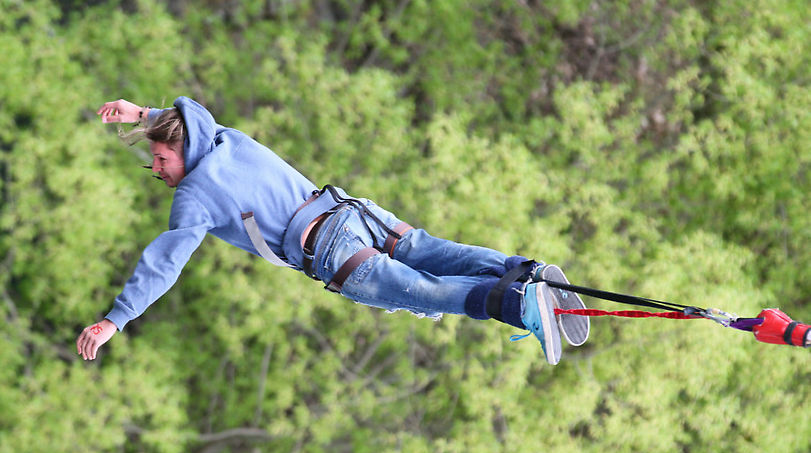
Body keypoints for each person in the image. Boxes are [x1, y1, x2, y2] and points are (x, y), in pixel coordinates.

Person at [76, 97, 589, 365]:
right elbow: (189, 119)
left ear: (180, 149)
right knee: (430, 252)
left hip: (331, 252)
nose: (159, 170)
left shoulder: (194, 196)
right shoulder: (228, 141)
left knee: (429, 294)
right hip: (353, 212)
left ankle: (518, 303)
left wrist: (116, 319)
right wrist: (143, 113)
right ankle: (526, 272)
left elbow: (163, 262)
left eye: (160, 158)